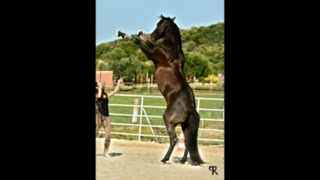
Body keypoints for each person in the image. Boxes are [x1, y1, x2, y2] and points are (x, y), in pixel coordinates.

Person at [96, 78, 123, 157]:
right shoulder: (97, 93)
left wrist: (118, 83)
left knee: (108, 136)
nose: (103, 84)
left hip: (106, 117)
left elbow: (115, 91)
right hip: (98, 116)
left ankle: (105, 152)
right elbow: (99, 96)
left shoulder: (106, 95)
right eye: (102, 84)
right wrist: (99, 86)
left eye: (103, 84)